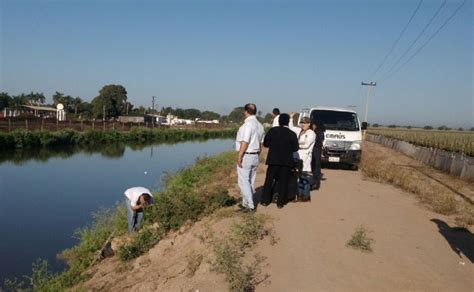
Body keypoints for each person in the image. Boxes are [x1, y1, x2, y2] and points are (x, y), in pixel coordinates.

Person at [261, 113, 299, 208]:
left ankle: (265, 201)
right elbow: (295, 148)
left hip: (273, 160)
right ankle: (280, 203)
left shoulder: (272, 131)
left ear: (279, 121)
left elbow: (265, 144)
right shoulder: (292, 134)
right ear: (288, 122)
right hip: (286, 162)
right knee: (283, 182)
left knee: (269, 180)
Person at [236, 103, 265, 212]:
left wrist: (240, 156)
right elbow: (262, 143)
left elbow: (245, 141)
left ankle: (250, 206)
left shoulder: (248, 125)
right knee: (250, 181)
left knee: (243, 181)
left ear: (246, 111)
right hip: (255, 155)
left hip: (247, 155)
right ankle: (245, 204)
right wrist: (258, 154)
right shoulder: (260, 125)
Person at [289, 113, 316, 201]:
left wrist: (295, 145)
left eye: (305, 123)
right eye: (302, 122)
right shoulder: (299, 131)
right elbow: (291, 128)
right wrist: (291, 118)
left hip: (305, 158)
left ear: (309, 124)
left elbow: (307, 144)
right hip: (297, 157)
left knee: (305, 178)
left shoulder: (311, 133)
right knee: (298, 177)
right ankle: (299, 194)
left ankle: (306, 196)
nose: (303, 124)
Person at [311, 120, 325, 190]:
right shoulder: (322, 132)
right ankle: (317, 183)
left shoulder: (315, 132)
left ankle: (315, 183)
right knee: (317, 166)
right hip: (319, 150)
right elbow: (322, 142)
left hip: (315, 149)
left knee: (315, 166)